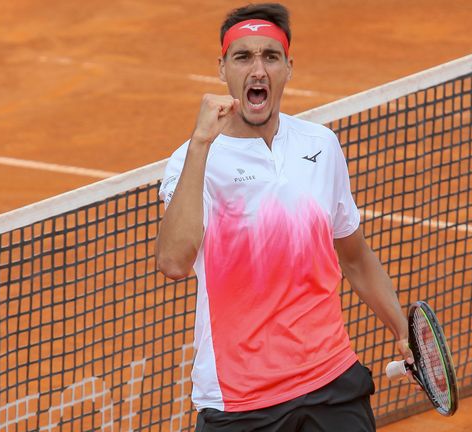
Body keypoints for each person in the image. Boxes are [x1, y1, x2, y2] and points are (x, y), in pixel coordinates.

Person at [156, 3, 412, 431]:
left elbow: (354, 256)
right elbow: (173, 262)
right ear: (222, 69)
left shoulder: (320, 144)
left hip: (330, 378)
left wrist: (404, 330)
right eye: (243, 57)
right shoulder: (191, 160)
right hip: (240, 399)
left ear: (288, 68)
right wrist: (200, 143)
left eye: (270, 57)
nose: (258, 70)